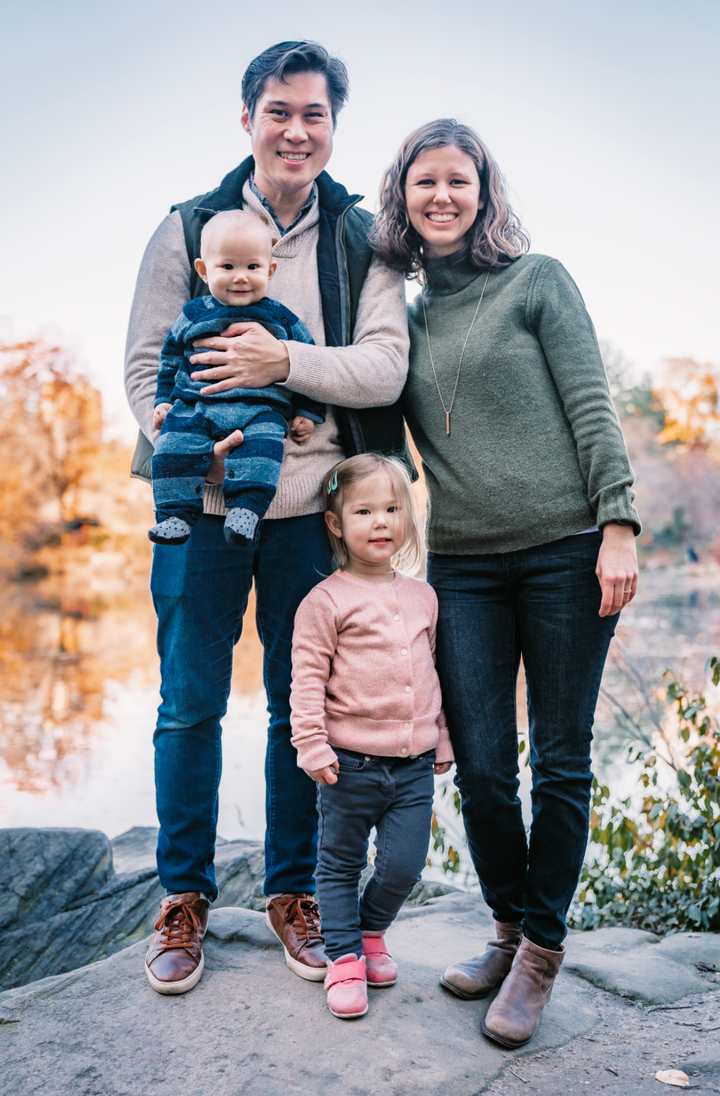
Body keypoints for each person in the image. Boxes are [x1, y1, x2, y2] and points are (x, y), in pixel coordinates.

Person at [125, 41, 410, 997]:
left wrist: (281, 366)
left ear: (334, 126)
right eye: (278, 111)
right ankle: (183, 900)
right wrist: (179, 434)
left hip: (308, 516)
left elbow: (383, 367)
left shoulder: (363, 238)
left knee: (306, 710)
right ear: (246, 118)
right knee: (189, 704)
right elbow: (141, 368)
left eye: (314, 114)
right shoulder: (188, 227)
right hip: (197, 511)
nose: (297, 130)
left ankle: (295, 895)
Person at [371, 119, 640, 1048]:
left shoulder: (538, 281)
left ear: (484, 193)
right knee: (484, 768)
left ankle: (539, 957)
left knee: (560, 760)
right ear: (400, 196)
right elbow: (379, 447)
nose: (441, 196)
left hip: (569, 553)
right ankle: (505, 927)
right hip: (466, 571)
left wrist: (619, 524)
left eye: (458, 180)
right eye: (423, 182)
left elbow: (591, 404)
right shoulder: (399, 325)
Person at [290, 454, 454, 1019]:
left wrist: (442, 736)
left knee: (405, 864)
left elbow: (434, 672)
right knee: (337, 863)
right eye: (364, 511)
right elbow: (307, 678)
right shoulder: (325, 601)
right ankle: (343, 957)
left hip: (412, 762)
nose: (380, 522)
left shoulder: (423, 596)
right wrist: (310, 743)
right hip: (348, 763)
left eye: (391, 509)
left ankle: (369, 929)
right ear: (336, 524)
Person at [149, 210, 324, 548]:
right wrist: (163, 401)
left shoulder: (281, 318)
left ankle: (245, 512)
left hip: (261, 412)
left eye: (253, 267)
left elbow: (307, 364)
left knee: (264, 453)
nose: (241, 277)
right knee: (171, 447)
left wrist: (307, 412)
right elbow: (169, 360)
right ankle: (174, 514)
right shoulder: (192, 315)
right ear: (204, 270)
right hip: (195, 407)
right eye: (228, 267)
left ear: (270, 271)